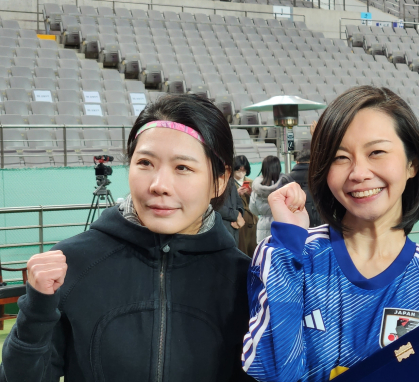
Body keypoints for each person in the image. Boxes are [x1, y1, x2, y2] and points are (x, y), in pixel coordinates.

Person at [0, 94, 254, 382]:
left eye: (182, 167)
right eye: (145, 162)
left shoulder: (246, 280)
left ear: (220, 181)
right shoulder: (73, 264)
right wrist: (36, 312)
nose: (159, 185)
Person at [241, 86, 419, 382]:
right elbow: (273, 374)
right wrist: (288, 245)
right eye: (340, 157)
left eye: (376, 152)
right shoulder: (288, 256)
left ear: (412, 164)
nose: (358, 173)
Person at [280, 149, 323, 227]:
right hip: (320, 228)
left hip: (295, 226)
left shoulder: (286, 179)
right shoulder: (321, 178)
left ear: (297, 162)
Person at [249, 155, 282, 243]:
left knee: (265, 254)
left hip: (263, 227)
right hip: (282, 224)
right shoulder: (285, 186)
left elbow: (253, 210)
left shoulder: (256, 189)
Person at [233, 155, 258, 257]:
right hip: (238, 220)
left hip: (252, 220)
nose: (241, 173)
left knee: (253, 248)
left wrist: (252, 194)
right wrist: (236, 193)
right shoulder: (228, 183)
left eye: (244, 170)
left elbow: (258, 203)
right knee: (241, 249)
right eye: (238, 170)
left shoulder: (252, 182)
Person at [218, 179, 245, 247]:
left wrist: (240, 214)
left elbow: (238, 201)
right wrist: (236, 215)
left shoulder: (230, 180)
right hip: (219, 227)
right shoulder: (210, 179)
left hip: (233, 228)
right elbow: (213, 204)